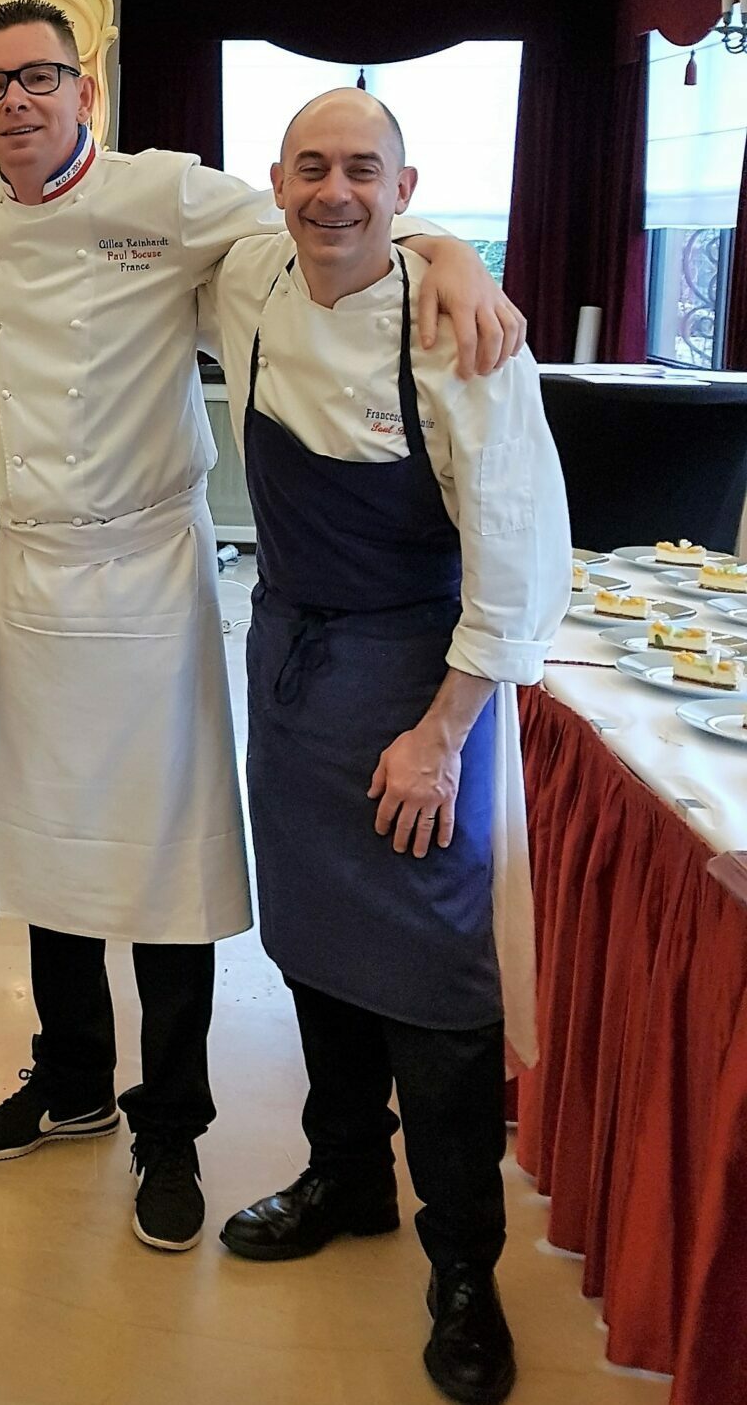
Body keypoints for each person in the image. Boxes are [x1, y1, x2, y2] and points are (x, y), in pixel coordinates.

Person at [0, 0, 526, 1252]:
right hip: (29, 581)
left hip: (151, 573)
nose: (17, 104)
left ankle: (171, 1127)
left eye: (39, 80)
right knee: (47, 858)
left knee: (166, 868)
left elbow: (328, 221)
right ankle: (70, 1082)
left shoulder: (173, 196)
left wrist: (452, 252)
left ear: (83, 86)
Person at [200, 89, 565, 1405]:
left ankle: (463, 1268)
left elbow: (521, 561)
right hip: (293, 664)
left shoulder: (459, 331)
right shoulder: (248, 271)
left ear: (406, 191)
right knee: (316, 947)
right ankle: (346, 1173)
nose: (334, 193)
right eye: (312, 168)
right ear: (276, 180)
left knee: (438, 985)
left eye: (365, 171)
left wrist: (442, 734)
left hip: (422, 682)